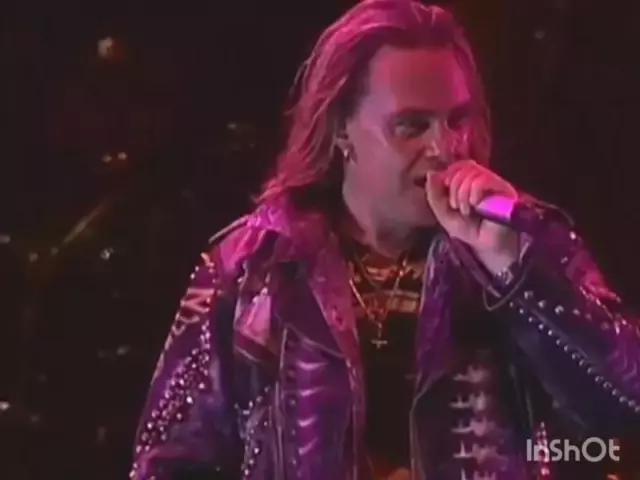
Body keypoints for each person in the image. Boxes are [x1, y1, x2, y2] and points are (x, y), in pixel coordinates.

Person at [129, 1, 640, 479]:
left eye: (457, 119)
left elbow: (624, 411)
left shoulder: (523, 238)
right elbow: (167, 462)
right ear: (341, 131)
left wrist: (514, 270)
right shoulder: (251, 266)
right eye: (412, 126)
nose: (446, 147)